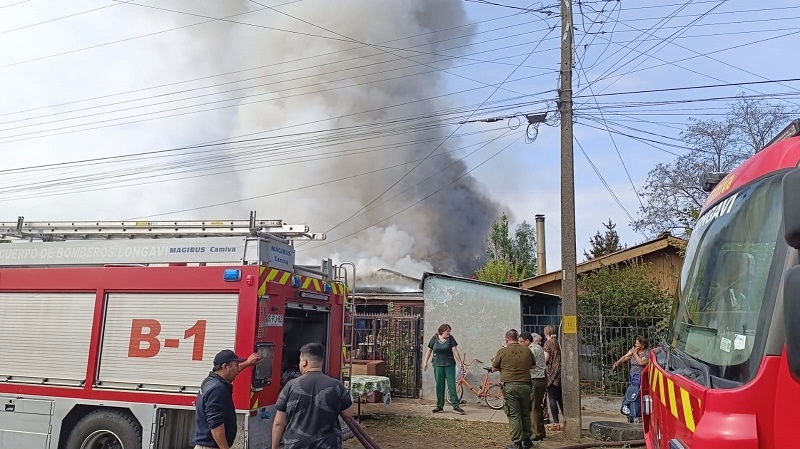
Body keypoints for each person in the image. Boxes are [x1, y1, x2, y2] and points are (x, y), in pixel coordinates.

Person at [272, 342, 355, 449]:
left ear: (304, 362)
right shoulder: (336, 385)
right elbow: (348, 413)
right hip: (328, 445)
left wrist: (274, 447)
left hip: (296, 445)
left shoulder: (290, 386)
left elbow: (279, 422)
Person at [192, 349, 262, 449]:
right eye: (236, 365)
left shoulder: (210, 381)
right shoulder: (217, 389)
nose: (238, 369)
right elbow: (216, 424)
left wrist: (248, 363)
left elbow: (234, 370)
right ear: (225, 367)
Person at [492, 329, 535, 449]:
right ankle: (527, 440)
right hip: (526, 385)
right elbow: (533, 365)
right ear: (517, 339)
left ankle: (517, 443)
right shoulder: (527, 351)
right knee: (525, 413)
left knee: (514, 414)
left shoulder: (502, 351)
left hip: (510, 386)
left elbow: (494, 367)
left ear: (506, 340)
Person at [423, 323, 466, 414]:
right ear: (442, 331)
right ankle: (439, 406)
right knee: (439, 385)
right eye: (447, 331)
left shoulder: (451, 339)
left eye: (450, 331)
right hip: (437, 365)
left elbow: (454, 350)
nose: (449, 333)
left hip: (449, 364)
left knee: (451, 385)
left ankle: (455, 405)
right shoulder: (434, 338)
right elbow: (429, 350)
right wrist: (425, 362)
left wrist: (460, 362)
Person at [612, 336, 650, 423]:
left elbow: (641, 362)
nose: (635, 345)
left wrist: (635, 354)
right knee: (632, 392)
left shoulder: (647, 353)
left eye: (637, 343)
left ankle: (636, 414)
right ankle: (630, 411)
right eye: (635, 343)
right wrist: (618, 362)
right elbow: (626, 357)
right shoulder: (634, 350)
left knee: (636, 395)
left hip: (641, 378)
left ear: (642, 345)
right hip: (633, 377)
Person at [519, 331, 547, 441]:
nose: (520, 343)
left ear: (527, 341)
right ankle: (540, 431)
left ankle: (535, 433)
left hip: (536, 379)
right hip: (540, 379)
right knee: (537, 407)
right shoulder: (536, 348)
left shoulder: (532, 350)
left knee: (533, 407)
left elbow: (526, 364)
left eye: (521, 341)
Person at [542, 325, 564, 431]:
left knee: (551, 398)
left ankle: (556, 422)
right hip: (559, 372)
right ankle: (566, 418)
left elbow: (545, 358)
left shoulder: (548, 343)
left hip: (551, 373)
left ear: (546, 332)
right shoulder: (558, 342)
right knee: (559, 398)